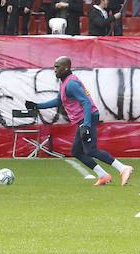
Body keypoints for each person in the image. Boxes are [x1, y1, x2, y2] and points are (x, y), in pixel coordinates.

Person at [29, 56, 133, 187]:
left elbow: (86, 103)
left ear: (66, 68)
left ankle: (123, 168)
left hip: (87, 118)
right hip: (83, 120)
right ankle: (103, 175)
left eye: (57, 67)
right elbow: (58, 101)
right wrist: (37, 106)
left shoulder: (71, 83)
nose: (54, 70)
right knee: (77, 152)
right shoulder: (65, 82)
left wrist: (86, 125)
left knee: (91, 150)